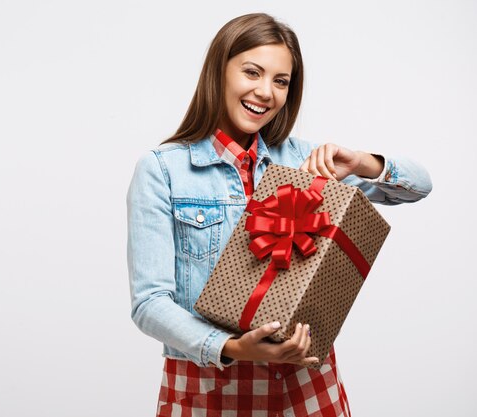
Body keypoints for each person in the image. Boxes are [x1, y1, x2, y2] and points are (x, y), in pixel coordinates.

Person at [127, 13, 432, 417]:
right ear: (219, 71)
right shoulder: (163, 170)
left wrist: (361, 162)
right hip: (208, 387)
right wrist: (233, 348)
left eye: (281, 81)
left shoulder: (306, 161)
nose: (265, 92)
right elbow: (149, 303)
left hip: (305, 387)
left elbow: (418, 186)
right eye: (252, 72)